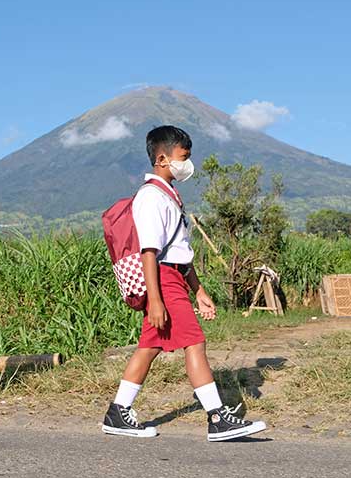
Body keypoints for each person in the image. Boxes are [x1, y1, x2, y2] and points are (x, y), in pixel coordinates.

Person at [102, 126, 266, 441]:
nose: (187, 164)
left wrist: (199, 290)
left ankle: (117, 412)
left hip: (172, 276)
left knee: (150, 346)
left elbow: (179, 253)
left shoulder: (169, 194)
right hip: (162, 280)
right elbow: (149, 252)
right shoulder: (151, 197)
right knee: (195, 341)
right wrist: (156, 299)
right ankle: (218, 418)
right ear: (162, 158)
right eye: (184, 157)